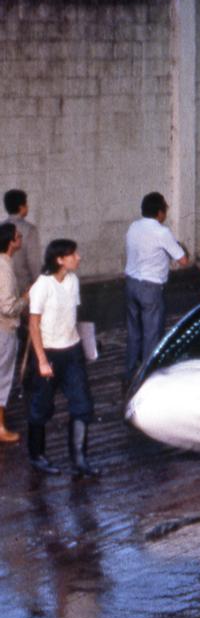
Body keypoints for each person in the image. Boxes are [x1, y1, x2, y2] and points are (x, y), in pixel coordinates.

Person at [28, 239, 99, 477]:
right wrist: (41, 360)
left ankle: (80, 459)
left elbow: (73, 316)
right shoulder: (42, 285)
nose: (78, 257)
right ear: (60, 259)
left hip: (72, 350)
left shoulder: (73, 280)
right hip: (49, 352)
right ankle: (37, 455)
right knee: (41, 406)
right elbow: (33, 325)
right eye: (73, 254)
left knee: (82, 404)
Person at [124, 192, 189, 388]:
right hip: (150, 288)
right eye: (165, 210)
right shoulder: (162, 232)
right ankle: (146, 381)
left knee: (134, 333)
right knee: (151, 336)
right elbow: (183, 260)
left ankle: (129, 375)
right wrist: (180, 248)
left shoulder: (133, 227)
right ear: (160, 212)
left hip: (130, 284)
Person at [0, 223, 27, 444]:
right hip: (4, 330)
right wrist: (26, 299)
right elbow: (8, 308)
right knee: (2, 378)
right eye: (18, 236)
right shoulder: (5, 268)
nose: (21, 238)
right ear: (11, 242)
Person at [4, 189, 41, 294]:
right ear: (21, 207)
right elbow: (34, 262)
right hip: (24, 288)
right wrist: (39, 286)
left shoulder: (2, 228)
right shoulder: (30, 230)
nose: (28, 207)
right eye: (26, 204)